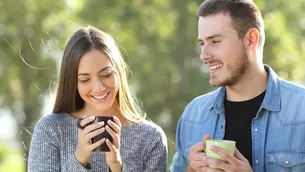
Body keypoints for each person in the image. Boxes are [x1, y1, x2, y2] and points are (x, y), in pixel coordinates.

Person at [170, 0, 305, 171]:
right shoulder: (193, 116)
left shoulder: (301, 111)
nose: (204, 55)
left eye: (215, 41)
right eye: (202, 43)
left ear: (251, 40)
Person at [28, 26, 168, 172]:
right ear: (72, 82)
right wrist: (79, 159)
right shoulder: (51, 130)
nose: (98, 87)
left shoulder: (150, 138)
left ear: (119, 71)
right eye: (84, 79)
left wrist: (116, 166)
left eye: (106, 74)